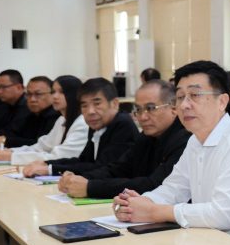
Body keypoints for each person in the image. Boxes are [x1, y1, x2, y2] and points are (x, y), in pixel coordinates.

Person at [113, 60, 230, 245]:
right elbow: (174, 188)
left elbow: (224, 214)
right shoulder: (195, 140)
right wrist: (137, 204)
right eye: (180, 96)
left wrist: (154, 212)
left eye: (195, 95)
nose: (184, 105)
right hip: (211, 242)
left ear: (222, 101)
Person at [58, 79, 190, 199]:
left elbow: (154, 184)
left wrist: (90, 187)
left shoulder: (185, 139)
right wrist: (78, 179)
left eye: (150, 108)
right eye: (138, 109)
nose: (142, 117)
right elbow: (118, 169)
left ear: (174, 108)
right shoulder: (146, 136)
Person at [21, 77, 137, 178]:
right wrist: (47, 163)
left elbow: (103, 167)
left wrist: (51, 169)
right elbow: (83, 161)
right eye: (84, 105)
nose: (90, 111)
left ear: (115, 104)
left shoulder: (122, 124)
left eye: (97, 103)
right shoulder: (96, 124)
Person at [0, 75, 88, 165]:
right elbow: (42, 146)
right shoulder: (61, 120)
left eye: (61, 92)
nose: (55, 96)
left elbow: (59, 157)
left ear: (74, 95)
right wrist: (12, 151)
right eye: (53, 92)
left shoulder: (82, 123)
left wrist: (14, 157)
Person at [0, 76, 59, 148]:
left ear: (52, 94)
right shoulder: (33, 114)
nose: (32, 99)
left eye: (38, 94)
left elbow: (40, 145)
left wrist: (5, 140)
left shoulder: (56, 117)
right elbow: (19, 135)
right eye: (29, 94)